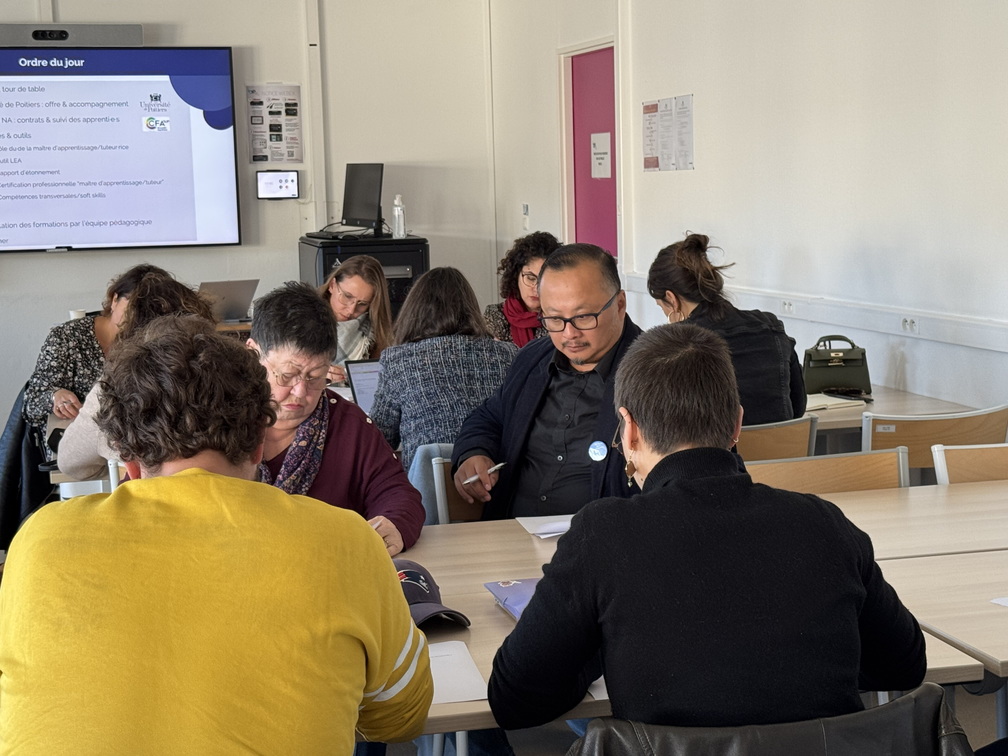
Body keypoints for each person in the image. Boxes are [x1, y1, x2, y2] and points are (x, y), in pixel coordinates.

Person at [0, 316, 433, 753]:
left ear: (130, 463)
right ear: (258, 445)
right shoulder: (346, 541)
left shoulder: (39, 542)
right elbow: (401, 717)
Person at [488, 323, 926, 731]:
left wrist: (603, 645)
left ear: (630, 430)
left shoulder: (603, 533)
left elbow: (514, 699)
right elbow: (903, 666)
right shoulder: (824, 522)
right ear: (737, 424)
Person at [453, 243, 643, 520]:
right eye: (554, 318)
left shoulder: (655, 373)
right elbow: (489, 416)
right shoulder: (533, 359)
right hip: (512, 532)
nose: (569, 334)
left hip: (606, 536)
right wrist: (474, 452)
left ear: (620, 304)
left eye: (583, 317)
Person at [249, 281, 425, 555]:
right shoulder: (219, 419)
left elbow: (397, 493)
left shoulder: (348, 425)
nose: (300, 392)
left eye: (315, 377)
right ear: (253, 353)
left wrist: (393, 524)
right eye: (287, 375)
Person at [57, 273, 217, 480]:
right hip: (235, 495)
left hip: (147, 496)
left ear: (131, 328)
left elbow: (70, 463)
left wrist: (115, 463)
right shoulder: (235, 374)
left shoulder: (113, 388)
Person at [647, 232, 806, 425]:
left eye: (661, 307)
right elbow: (798, 409)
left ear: (671, 299)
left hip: (719, 446)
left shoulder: (677, 347)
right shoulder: (771, 327)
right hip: (782, 445)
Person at [370, 267, 517, 472]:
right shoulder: (509, 353)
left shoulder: (399, 360)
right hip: (498, 477)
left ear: (414, 311)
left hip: (428, 482)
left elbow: (380, 439)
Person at [22, 263, 169, 428]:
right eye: (134, 308)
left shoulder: (157, 342)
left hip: (135, 435)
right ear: (114, 300)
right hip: (76, 434)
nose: (138, 319)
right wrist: (56, 396)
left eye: (149, 313)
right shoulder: (67, 336)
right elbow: (31, 404)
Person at [318, 254, 394, 384]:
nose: (351, 310)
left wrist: (350, 376)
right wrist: (313, 374)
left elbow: (384, 383)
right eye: (347, 296)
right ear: (332, 285)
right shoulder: (301, 319)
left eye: (362, 304)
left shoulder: (374, 334)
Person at [483, 231, 561, 347]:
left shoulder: (562, 319)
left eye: (543, 280)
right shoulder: (494, 316)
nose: (536, 288)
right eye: (530, 278)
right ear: (516, 275)